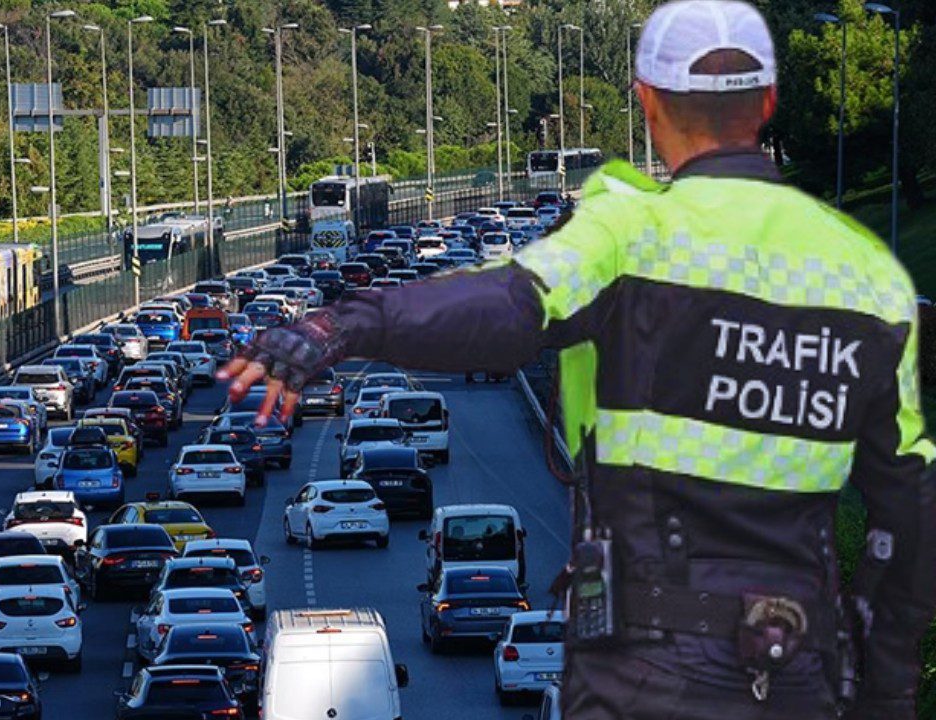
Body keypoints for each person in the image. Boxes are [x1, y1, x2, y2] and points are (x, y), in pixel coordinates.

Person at [218, 2, 936, 718]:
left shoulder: (627, 233)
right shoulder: (870, 277)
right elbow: (906, 510)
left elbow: (502, 308)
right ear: (770, 104)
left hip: (647, 672)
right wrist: (888, 689)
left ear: (648, 103)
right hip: (799, 673)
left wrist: (344, 326)